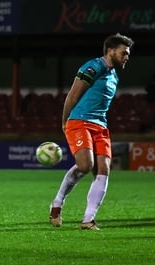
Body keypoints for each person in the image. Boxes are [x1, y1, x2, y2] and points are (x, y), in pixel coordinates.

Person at [49, 33, 134, 230]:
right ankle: (57, 203)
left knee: (104, 170)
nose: (127, 57)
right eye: (124, 53)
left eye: (128, 54)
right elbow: (73, 95)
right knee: (85, 165)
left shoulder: (114, 75)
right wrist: (64, 122)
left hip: (100, 126)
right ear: (111, 51)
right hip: (79, 121)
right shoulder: (93, 67)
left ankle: (88, 219)